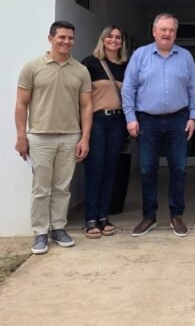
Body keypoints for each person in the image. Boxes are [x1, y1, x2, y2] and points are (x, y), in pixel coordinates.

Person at [122, 13, 195, 238]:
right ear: (154, 31)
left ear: (175, 33)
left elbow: (194, 90)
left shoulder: (185, 56)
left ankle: (176, 215)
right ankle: (149, 216)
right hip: (147, 119)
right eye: (163, 29)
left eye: (171, 30)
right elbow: (128, 89)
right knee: (147, 169)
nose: (167, 33)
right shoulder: (140, 55)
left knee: (179, 168)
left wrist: (193, 117)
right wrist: (131, 118)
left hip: (179, 119)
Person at [15, 20, 92, 255]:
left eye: (70, 38)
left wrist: (85, 137)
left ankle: (59, 228)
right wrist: (21, 136)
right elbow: (21, 103)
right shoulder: (33, 67)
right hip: (40, 136)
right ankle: (40, 232)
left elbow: (87, 106)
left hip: (70, 136)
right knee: (41, 188)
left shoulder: (80, 70)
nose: (67, 42)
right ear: (50, 39)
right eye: (62, 37)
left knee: (62, 187)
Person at [80, 26, 130, 239]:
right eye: (110, 36)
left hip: (118, 121)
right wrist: (84, 131)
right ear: (102, 39)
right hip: (97, 121)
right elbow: (83, 101)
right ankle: (90, 217)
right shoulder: (89, 63)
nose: (114, 40)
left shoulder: (126, 66)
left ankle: (103, 216)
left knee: (111, 170)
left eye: (118, 37)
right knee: (95, 169)